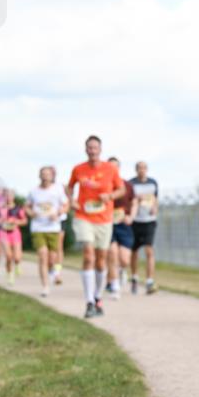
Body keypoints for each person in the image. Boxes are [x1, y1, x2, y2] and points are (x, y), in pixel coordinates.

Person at [66, 135, 125, 318]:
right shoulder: (78, 169)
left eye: (95, 148)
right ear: (86, 150)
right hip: (84, 216)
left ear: (100, 150)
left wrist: (110, 197)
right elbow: (69, 188)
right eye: (89, 148)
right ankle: (89, 301)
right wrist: (71, 201)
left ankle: (98, 297)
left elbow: (121, 189)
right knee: (89, 255)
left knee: (101, 259)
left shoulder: (110, 169)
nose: (92, 151)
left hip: (104, 218)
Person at [26, 167, 70, 297]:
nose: (45, 177)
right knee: (42, 255)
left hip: (53, 227)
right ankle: (45, 286)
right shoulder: (33, 191)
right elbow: (27, 206)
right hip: (38, 228)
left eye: (48, 174)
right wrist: (31, 213)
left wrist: (59, 213)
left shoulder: (57, 190)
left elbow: (66, 205)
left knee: (52, 258)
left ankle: (53, 271)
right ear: (39, 176)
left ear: (52, 176)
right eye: (43, 174)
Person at [106, 157, 137, 300]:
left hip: (124, 224)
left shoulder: (127, 185)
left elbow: (135, 202)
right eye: (109, 167)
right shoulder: (103, 185)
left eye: (115, 167)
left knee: (124, 259)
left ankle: (122, 270)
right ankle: (115, 285)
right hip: (107, 224)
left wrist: (131, 217)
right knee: (112, 253)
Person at [129, 161, 159, 295]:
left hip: (149, 221)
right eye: (139, 168)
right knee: (134, 252)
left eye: (144, 168)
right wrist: (136, 199)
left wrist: (154, 208)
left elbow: (155, 199)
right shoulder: (131, 184)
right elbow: (128, 200)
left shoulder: (153, 183)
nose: (142, 170)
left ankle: (149, 281)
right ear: (136, 170)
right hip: (135, 221)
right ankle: (134, 277)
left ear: (147, 169)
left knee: (149, 250)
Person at [0, 191, 27, 284]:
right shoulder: (0, 208)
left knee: (17, 257)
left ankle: (17, 265)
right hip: (3, 233)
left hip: (15, 233)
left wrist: (16, 222)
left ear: (13, 197)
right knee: (9, 256)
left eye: (10, 196)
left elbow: (25, 221)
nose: (8, 197)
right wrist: (1, 220)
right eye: (6, 196)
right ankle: (10, 275)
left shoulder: (18, 208)